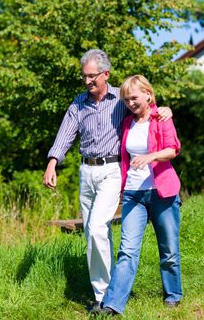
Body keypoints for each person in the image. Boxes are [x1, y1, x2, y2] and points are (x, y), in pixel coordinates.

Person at [43, 50, 172, 311]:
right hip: (86, 172)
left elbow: (144, 106)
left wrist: (164, 110)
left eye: (92, 76)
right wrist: (53, 162)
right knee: (93, 234)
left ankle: (105, 296)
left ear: (106, 74)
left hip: (112, 170)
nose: (88, 81)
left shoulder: (119, 100)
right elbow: (65, 134)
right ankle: (105, 291)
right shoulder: (79, 103)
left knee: (97, 228)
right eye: (85, 77)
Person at [98, 75, 182, 316]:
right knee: (127, 250)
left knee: (169, 250)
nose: (130, 103)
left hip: (162, 193)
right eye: (126, 100)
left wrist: (150, 157)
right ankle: (113, 304)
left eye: (134, 98)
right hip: (134, 194)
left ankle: (173, 295)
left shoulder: (161, 117)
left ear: (147, 94)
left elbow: (173, 149)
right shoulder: (127, 123)